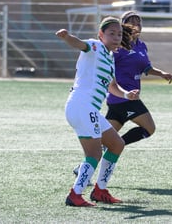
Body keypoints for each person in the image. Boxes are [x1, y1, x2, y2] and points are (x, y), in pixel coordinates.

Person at [56, 17, 140, 207]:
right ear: (101, 35)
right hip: (81, 106)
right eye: (111, 33)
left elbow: (113, 86)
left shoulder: (110, 59)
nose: (117, 37)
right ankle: (75, 194)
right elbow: (79, 44)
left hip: (88, 109)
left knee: (116, 144)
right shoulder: (95, 46)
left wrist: (128, 95)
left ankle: (100, 190)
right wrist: (66, 36)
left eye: (119, 34)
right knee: (93, 154)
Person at [106, 10, 172, 146]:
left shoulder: (141, 46)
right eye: (132, 23)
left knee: (104, 140)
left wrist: (162, 74)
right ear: (123, 25)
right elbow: (106, 66)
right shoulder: (118, 46)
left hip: (126, 98)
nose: (137, 26)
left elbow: (146, 68)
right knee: (149, 128)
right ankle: (118, 145)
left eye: (139, 23)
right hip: (124, 98)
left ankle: (86, 164)